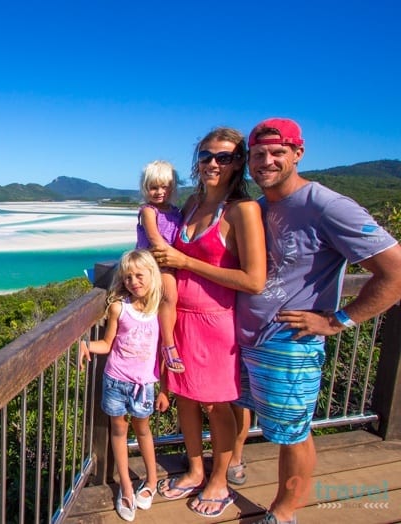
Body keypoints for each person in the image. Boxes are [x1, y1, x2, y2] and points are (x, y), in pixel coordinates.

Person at [236, 117, 401, 524]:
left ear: (298, 153)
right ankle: (234, 471)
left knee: (293, 434)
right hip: (243, 338)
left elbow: (395, 273)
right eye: (259, 155)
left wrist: (338, 319)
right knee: (243, 412)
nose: (267, 162)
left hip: (288, 343)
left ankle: (285, 510)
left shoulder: (327, 205)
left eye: (277, 153)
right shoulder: (258, 207)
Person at [150, 126, 266, 518]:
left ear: (239, 164)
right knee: (185, 396)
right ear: (196, 162)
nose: (213, 163)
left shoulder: (242, 211)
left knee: (218, 404)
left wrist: (186, 262)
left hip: (217, 323)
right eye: (206, 156)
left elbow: (254, 279)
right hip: (179, 319)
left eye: (225, 157)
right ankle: (196, 468)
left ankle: (219, 478)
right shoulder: (192, 203)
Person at [80, 249, 170, 522]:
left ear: (152, 276)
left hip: (144, 385)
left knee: (143, 430)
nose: (133, 281)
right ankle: (127, 488)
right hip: (115, 381)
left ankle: (151, 482)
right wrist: (84, 345)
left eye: (139, 275)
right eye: (128, 277)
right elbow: (107, 344)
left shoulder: (159, 309)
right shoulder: (120, 307)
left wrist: (165, 389)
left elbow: (165, 351)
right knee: (118, 431)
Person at [136, 160, 184, 373]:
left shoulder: (175, 211)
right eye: (153, 187)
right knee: (170, 296)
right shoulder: (148, 210)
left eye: (164, 187)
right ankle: (168, 343)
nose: (159, 192)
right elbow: (156, 241)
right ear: (145, 188)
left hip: (170, 260)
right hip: (153, 262)